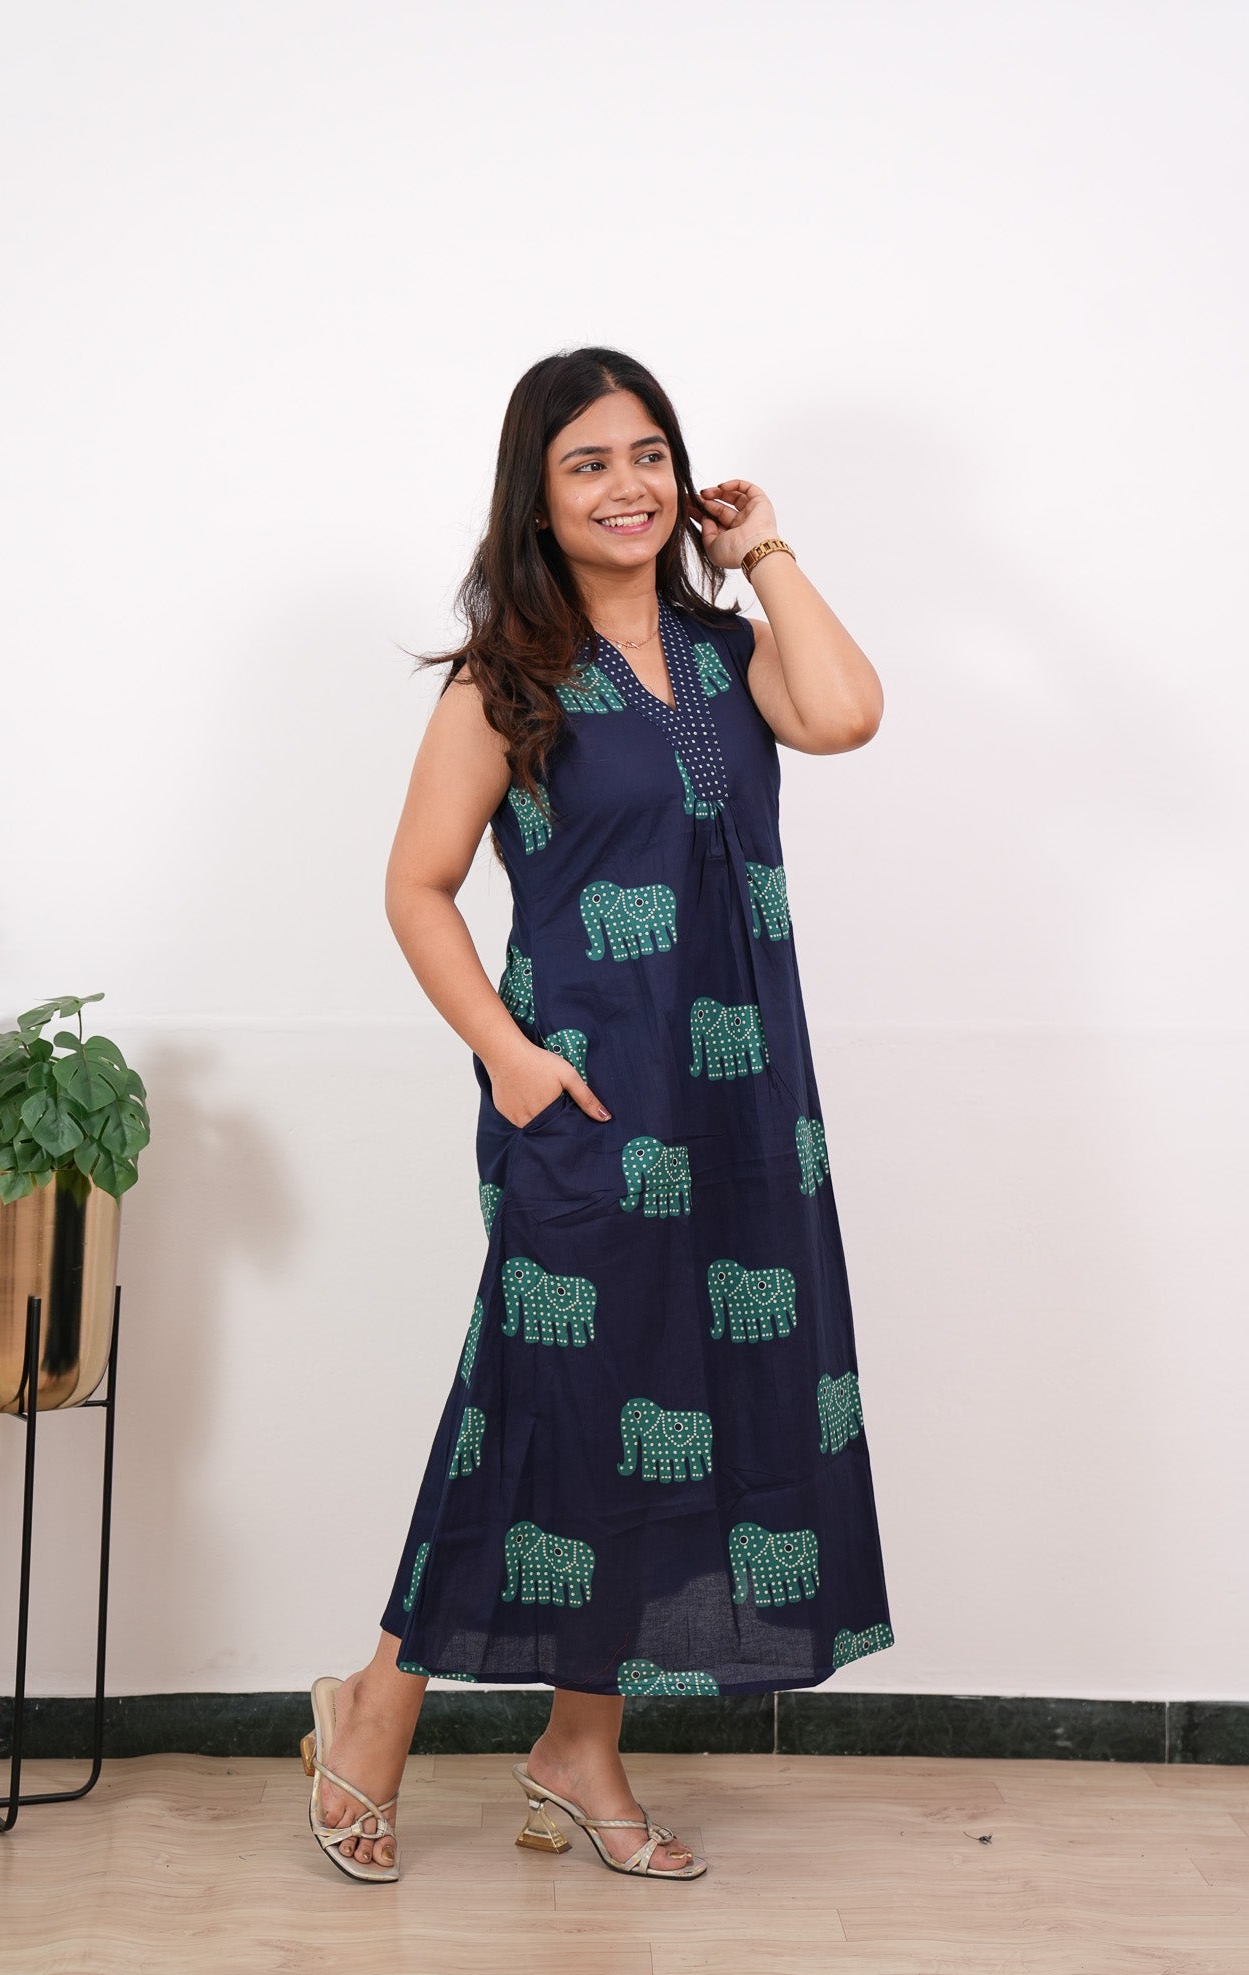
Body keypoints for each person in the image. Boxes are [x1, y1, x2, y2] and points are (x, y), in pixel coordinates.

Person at [301, 345, 894, 1882]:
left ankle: (577, 1746)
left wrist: (765, 551)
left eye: (648, 456)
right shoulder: (501, 681)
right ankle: (374, 1706)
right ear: (537, 497)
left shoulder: (728, 652)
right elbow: (416, 886)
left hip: (743, 1101)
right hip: (583, 1088)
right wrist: (505, 1054)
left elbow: (844, 715)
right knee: (544, 1400)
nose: (626, 486)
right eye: (588, 464)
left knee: (679, 1397)